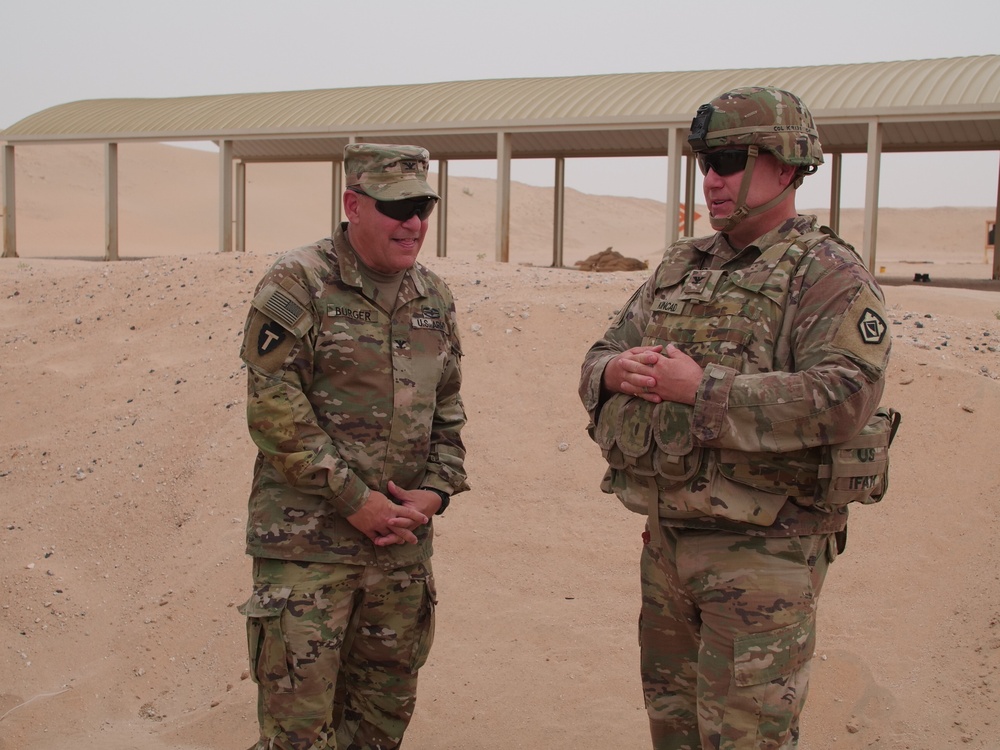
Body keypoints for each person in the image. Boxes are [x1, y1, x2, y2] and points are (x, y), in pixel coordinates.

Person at [579, 87, 894, 749]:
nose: (711, 180)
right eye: (704, 162)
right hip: (667, 550)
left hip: (765, 560)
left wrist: (702, 389)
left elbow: (844, 397)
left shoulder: (827, 275)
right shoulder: (678, 268)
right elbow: (601, 355)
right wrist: (615, 372)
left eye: (726, 160)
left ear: (784, 167)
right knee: (677, 735)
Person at [238, 143, 469, 750]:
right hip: (309, 551)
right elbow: (273, 407)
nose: (413, 223)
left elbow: (448, 411)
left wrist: (436, 493)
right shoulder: (300, 281)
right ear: (353, 205)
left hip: (400, 558)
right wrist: (354, 499)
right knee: (298, 734)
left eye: (423, 206)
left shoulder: (433, 297)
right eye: (397, 207)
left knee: (378, 727)